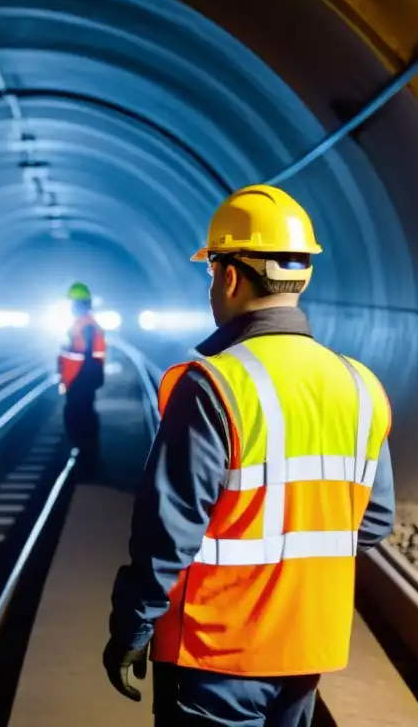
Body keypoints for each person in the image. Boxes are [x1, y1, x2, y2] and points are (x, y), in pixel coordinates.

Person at [102, 185, 396, 726]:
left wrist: (134, 624)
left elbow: (170, 528)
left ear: (230, 275)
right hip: (307, 648)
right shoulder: (360, 386)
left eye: (212, 270)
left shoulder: (214, 384)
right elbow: (374, 521)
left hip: (216, 648)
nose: (212, 284)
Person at [58, 282, 106, 464]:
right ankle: (85, 454)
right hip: (79, 379)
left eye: (72, 303)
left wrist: (77, 380)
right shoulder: (82, 324)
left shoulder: (86, 326)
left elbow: (84, 355)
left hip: (81, 379)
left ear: (79, 304)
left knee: (79, 416)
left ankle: (87, 457)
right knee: (80, 415)